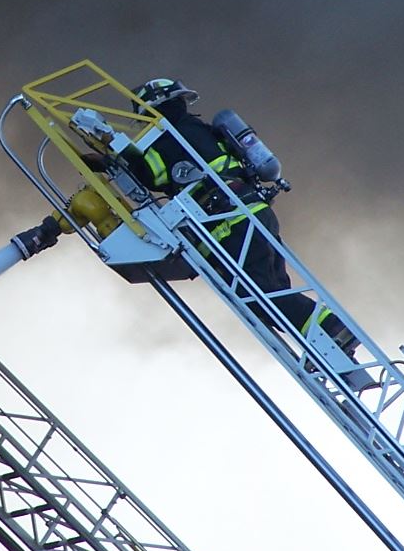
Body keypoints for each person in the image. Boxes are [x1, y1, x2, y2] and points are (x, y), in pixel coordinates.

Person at [117, 78, 350, 351]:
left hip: (231, 224)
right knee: (272, 290)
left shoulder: (169, 139)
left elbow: (150, 175)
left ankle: (331, 328)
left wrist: (117, 155)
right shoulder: (199, 129)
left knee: (256, 294)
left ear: (154, 108)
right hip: (252, 214)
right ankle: (324, 342)